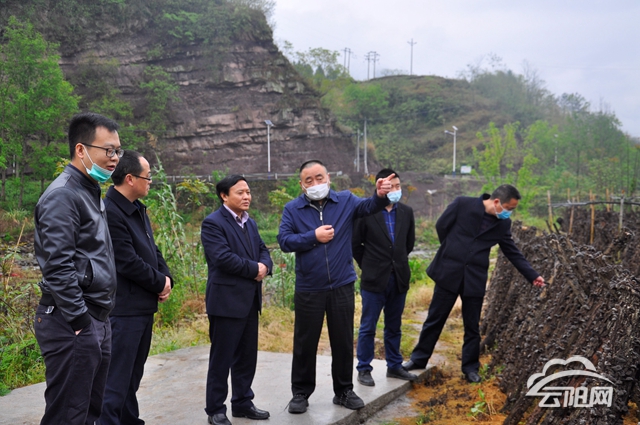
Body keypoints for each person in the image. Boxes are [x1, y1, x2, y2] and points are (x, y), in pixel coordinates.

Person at [277, 160, 394, 414]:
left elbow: (369, 206)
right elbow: (284, 241)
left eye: (319, 177)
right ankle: (300, 393)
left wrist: (379, 194)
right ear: (301, 184)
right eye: (309, 180)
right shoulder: (293, 209)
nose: (315, 183)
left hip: (341, 284)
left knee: (342, 340)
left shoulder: (346, 201)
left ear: (328, 177)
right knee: (305, 342)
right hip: (309, 287)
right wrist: (313, 237)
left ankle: (343, 391)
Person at [402, 184, 546, 383]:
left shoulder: (503, 224)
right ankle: (418, 359)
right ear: (497, 202)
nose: (509, 213)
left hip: (474, 277)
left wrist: (532, 275)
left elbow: (511, 251)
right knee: (435, 319)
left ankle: (470, 368)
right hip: (449, 272)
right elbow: (441, 225)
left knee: (472, 326)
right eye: (509, 208)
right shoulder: (463, 204)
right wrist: (452, 249)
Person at [33, 112, 122, 425]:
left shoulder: (89, 190)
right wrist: (80, 321)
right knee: (68, 414)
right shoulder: (63, 195)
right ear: (81, 150)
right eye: (108, 150)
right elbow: (57, 265)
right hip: (71, 319)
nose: (114, 158)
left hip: (96, 317)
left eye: (118, 150)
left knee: (88, 412)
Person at [99, 151, 173, 425]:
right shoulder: (110, 212)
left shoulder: (136, 208)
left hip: (142, 307)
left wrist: (167, 278)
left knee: (132, 376)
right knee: (115, 381)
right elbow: (126, 261)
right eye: (147, 176)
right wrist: (159, 282)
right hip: (124, 311)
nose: (150, 181)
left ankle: (130, 420)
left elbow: (152, 250)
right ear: (130, 179)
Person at [201, 175, 273, 425]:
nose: (246, 197)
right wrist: (255, 269)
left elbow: (263, 249)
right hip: (226, 302)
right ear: (224, 196)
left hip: (250, 301)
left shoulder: (249, 223)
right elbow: (222, 258)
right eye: (240, 192)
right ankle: (215, 409)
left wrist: (265, 265)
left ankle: (242, 402)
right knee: (222, 359)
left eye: (248, 192)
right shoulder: (213, 223)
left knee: (246, 357)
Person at [353, 168, 417, 387]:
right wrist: (369, 265)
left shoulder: (406, 212)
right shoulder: (366, 211)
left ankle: (394, 365)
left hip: (398, 277)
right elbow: (355, 244)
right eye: (391, 186)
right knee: (368, 326)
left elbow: (408, 244)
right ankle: (364, 368)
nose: (396, 190)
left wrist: (395, 262)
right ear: (380, 186)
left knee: (394, 325)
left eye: (398, 186)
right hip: (374, 279)